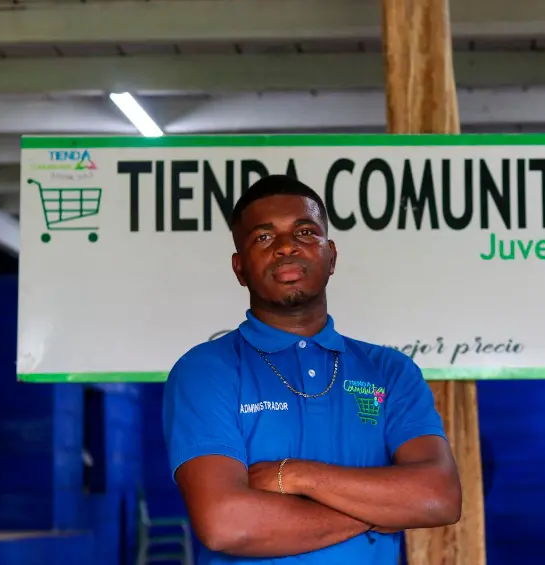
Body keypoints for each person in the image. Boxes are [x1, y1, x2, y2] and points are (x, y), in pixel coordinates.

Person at [162, 174, 462, 564]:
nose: (287, 246)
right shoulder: (206, 371)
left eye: (305, 232)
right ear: (240, 269)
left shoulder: (390, 371)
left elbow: (439, 498)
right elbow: (226, 524)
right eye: (264, 238)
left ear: (331, 256)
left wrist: (294, 475)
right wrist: (382, 509)